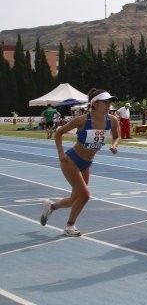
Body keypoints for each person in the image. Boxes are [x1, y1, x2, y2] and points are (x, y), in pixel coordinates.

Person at [40, 89, 121, 237]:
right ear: (95, 104)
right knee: (85, 195)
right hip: (71, 160)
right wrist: (61, 154)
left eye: (110, 102)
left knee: (73, 200)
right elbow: (58, 132)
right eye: (105, 102)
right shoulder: (83, 120)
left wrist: (114, 145)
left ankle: (51, 207)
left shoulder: (112, 120)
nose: (109, 105)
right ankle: (69, 226)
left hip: (86, 163)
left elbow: (116, 136)